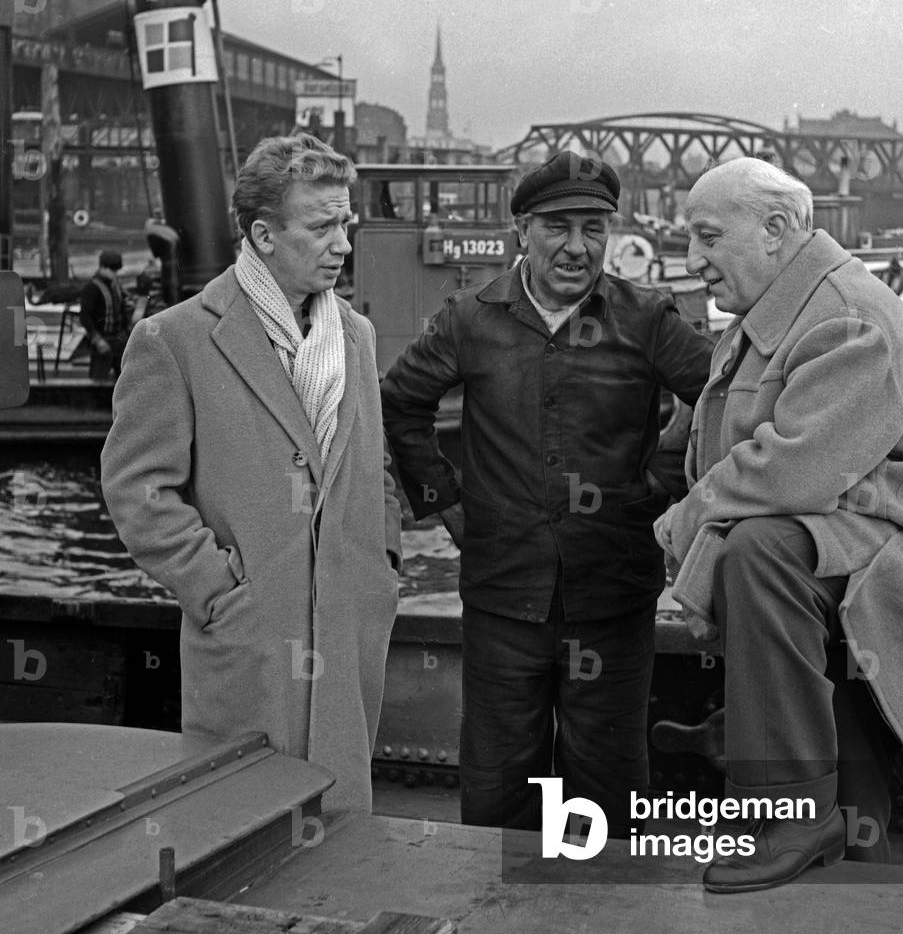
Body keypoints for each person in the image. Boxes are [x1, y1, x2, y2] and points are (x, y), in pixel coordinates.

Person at [655, 156, 903, 892]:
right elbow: (716, 445)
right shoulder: (773, 313)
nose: (693, 262)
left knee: (758, 550)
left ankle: (790, 812)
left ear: (777, 230)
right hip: (852, 526)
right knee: (762, 557)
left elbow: (797, 467)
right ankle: (822, 838)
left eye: (709, 238)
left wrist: (685, 523)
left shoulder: (845, 315)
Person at [380, 150, 713, 837]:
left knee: (608, 779)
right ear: (522, 233)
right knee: (501, 776)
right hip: (504, 589)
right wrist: (447, 504)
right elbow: (400, 403)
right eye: (558, 227)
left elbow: (717, 399)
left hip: (612, 591)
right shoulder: (471, 320)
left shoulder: (646, 318)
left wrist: (657, 485)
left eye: (593, 228)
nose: (576, 246)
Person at [101, 133, 402, 811]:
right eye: (322, 227)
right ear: (264, 236)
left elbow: (372, 458)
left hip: (348, 622)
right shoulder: (173, 340)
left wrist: (380, 562)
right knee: (240, 831)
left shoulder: (356, 335)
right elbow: (138, 490)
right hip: (249, 633)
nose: (343, 244)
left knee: (340, 834)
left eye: (345, 223)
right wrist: (216, 590)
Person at [79, 249, 133, 379]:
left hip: (119, 339)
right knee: (98, 378)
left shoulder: (116, 285)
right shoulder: (91, 288)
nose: (114, 273)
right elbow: (85, 316)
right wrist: (97, 339)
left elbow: (122, 308)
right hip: (102, 340)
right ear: (102, 267)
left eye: (116, 270)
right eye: (112, 270)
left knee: (124, 379)